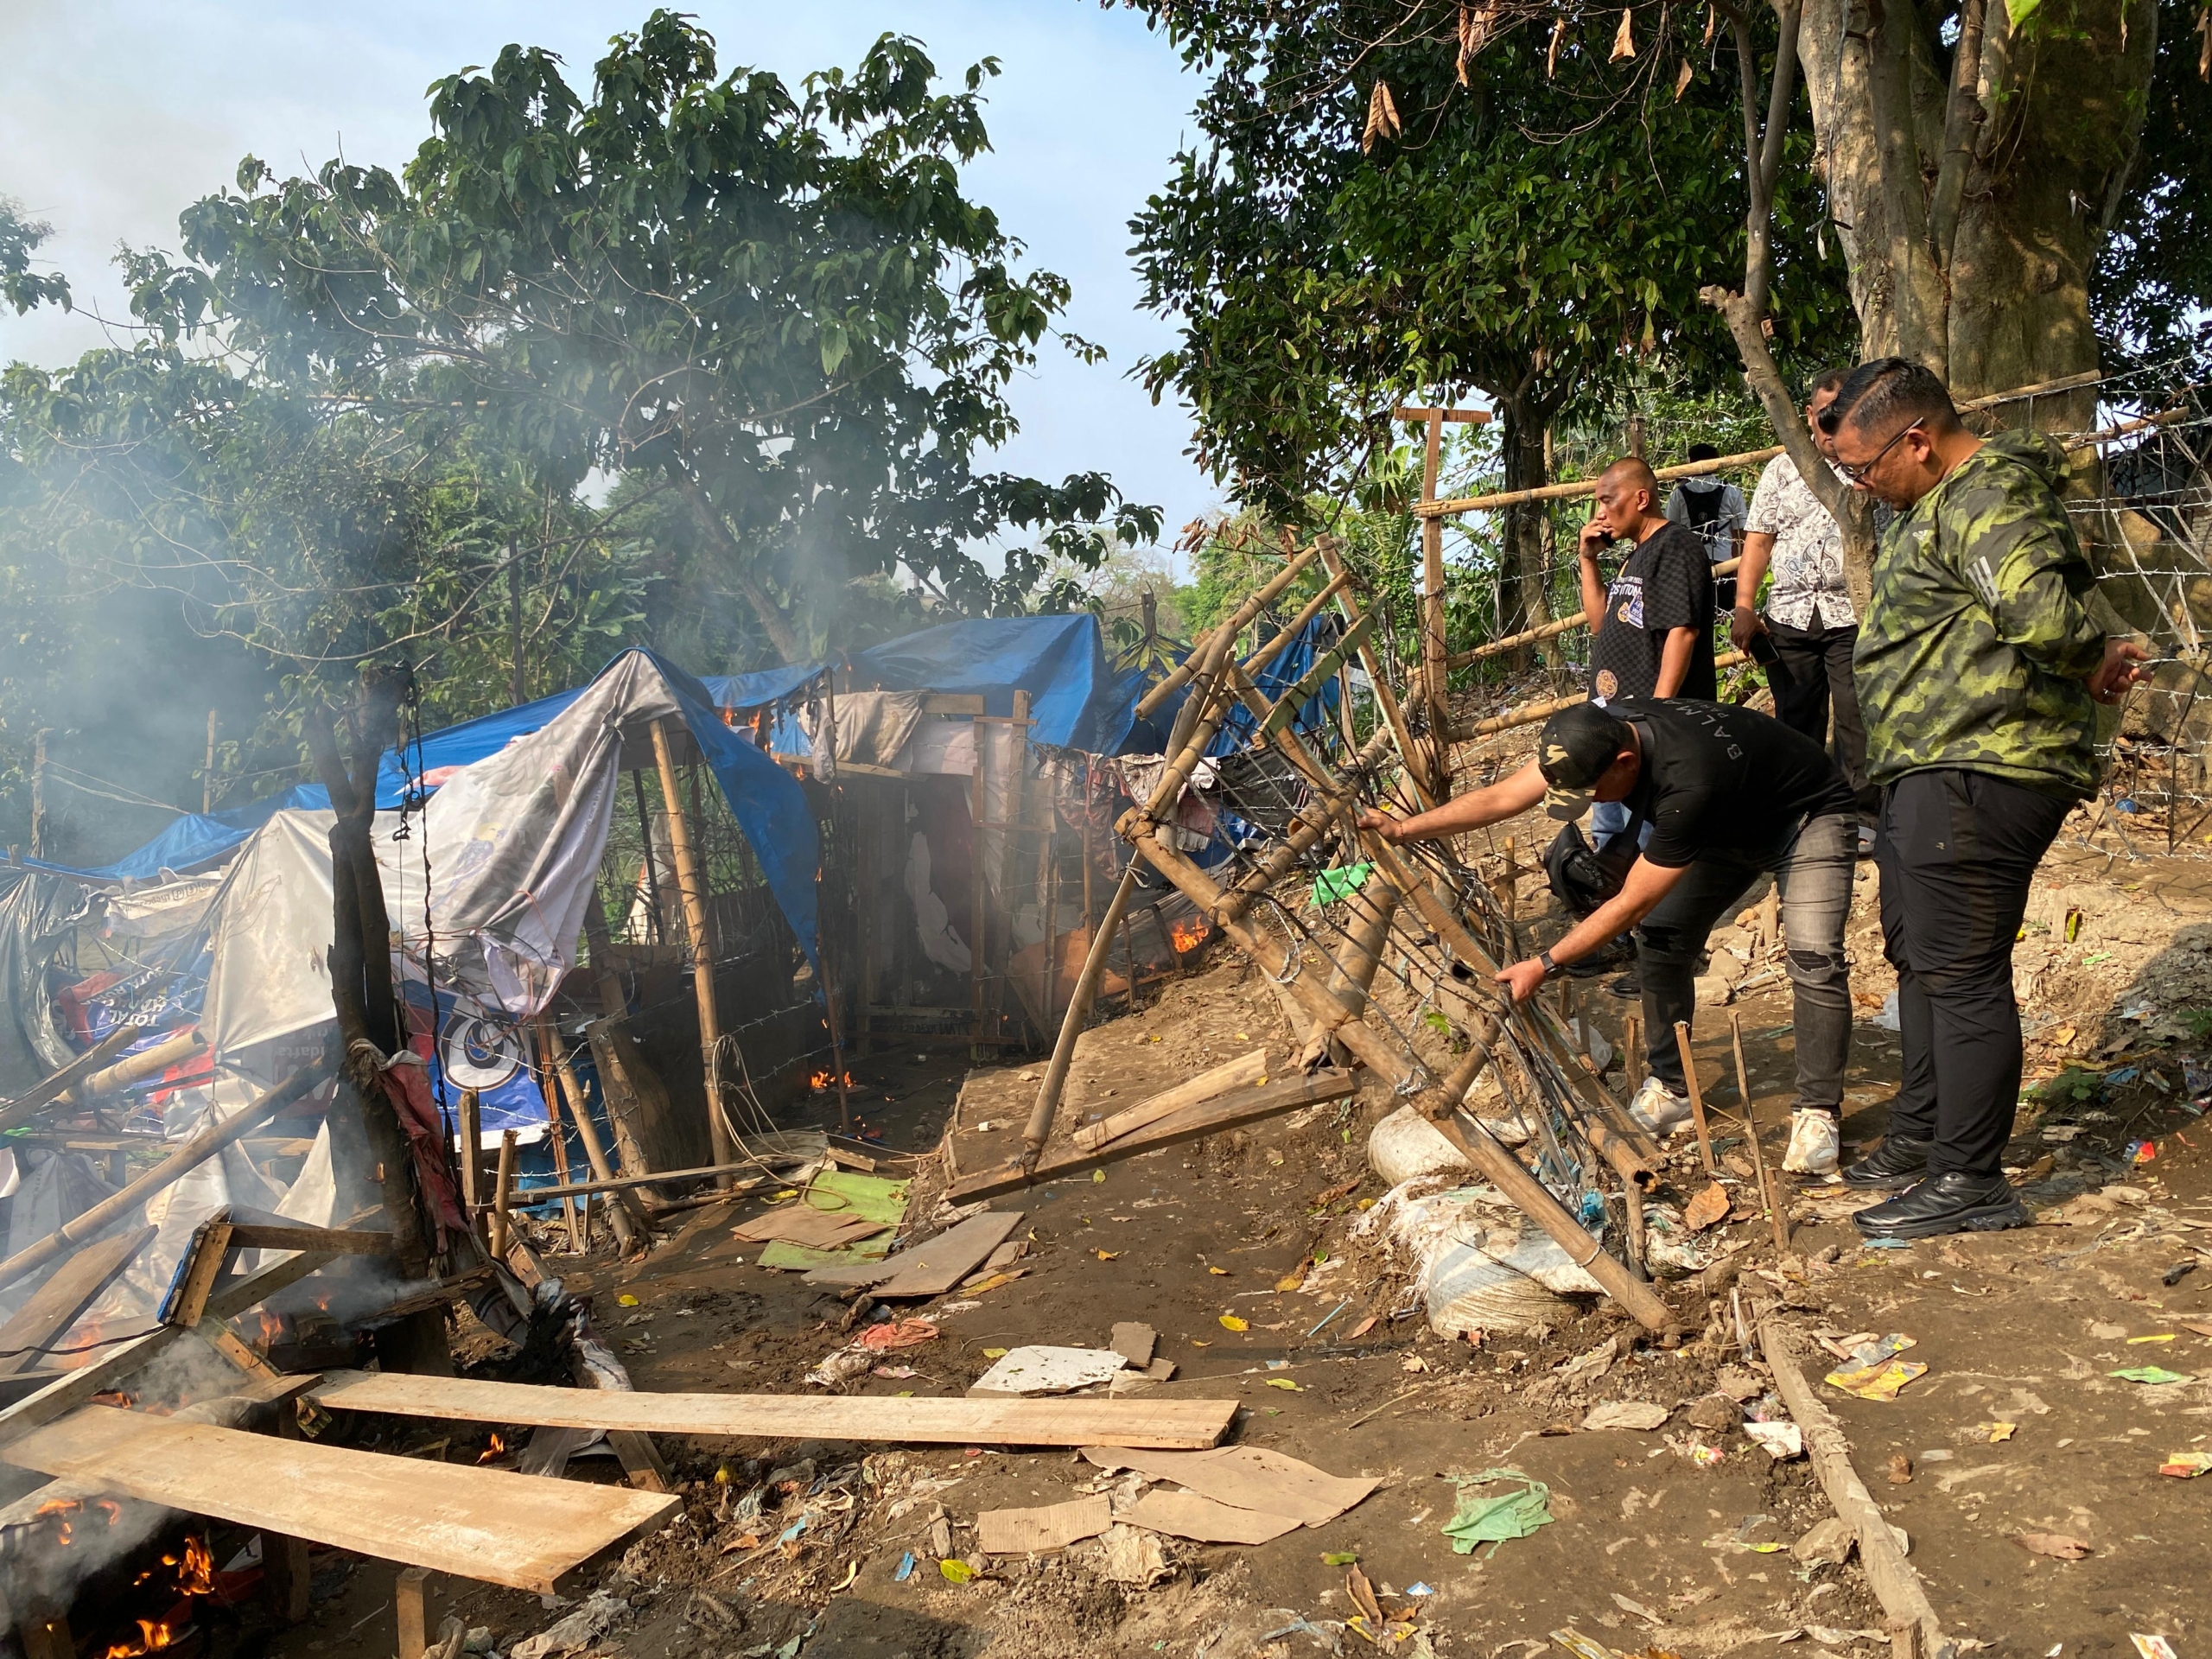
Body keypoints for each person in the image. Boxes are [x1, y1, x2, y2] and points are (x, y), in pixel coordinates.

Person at [1819, 358, 2147, 1237]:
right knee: (1926, 960)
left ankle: (1969, 1179)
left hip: (1980, 764)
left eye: (1864, 467)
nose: (1859, 485)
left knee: (1962, 973)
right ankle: (1927, 1137)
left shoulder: (1988, 491)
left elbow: (2040, 614)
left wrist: (2090, 655)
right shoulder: (1938, 504)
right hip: (1933, 764)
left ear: (1918, 441)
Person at [1360, 696, 1858, 1175]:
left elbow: (1631, 902)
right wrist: (1405, 830)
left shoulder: (1691, 780)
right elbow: (1503, 796)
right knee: (1661, 936)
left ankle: (1818, 1113)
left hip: (1804, 821)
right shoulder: (1589, 735)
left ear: (1624, 762)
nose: (1590, 804)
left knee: (1814, 959)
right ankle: (1672, 1089)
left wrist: (1546, 963)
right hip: (1725, 826)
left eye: (1592, 793)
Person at [1732, 369, 1880, 849]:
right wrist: (1744, 606)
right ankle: (1803, 810)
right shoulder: (1782, 470)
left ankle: (1860, 814)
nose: (1831, 425)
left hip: (1852, 614)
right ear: (1809, 416)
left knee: (1856, 715)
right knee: (1797, 718)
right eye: (1825, 415)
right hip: (1790, 614)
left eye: (1843, 414)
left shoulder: (1871, 467)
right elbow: (1758, 541)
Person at [1580, 458, 1716, 855]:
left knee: (1646, 832)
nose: (1600, 513)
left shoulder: (1675, 545)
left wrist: (1658, 712)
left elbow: (1682, 632)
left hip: (1647, 728)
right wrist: (1588, 560)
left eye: (1607, 500)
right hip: (1614, 721)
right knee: (1610, 835)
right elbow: (1599, 624)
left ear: (1641, 499)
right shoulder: (1635, 555)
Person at [1666, 442, 1748, 610]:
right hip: (1725, 564)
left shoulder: (1679, 494)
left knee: (1692, 614)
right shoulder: (1731, 491)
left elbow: (1669, 532)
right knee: (1723, 614)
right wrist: (1738, 570)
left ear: (1691, 462)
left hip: (1690, 565)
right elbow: (1740, 536)